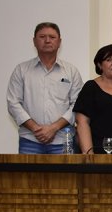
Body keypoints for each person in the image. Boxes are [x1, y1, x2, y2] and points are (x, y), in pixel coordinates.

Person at [6, 22, 83, 154]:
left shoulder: (71, 71)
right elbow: (13, 103)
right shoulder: (21, 70)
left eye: (52, 37)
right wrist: (35, 128)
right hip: (30, 140)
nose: (47, 40)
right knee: (28, 175)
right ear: (34, 41)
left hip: (63, 141)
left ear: (59, 42)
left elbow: (77, 104)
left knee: (64, 176)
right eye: (42, 36)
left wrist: (53, 128)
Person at [74, 44, 112, 155]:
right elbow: (82, 122)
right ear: (100, 65)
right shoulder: (90, 87)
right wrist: (88, 154)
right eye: (108, 60)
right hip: (99, 151)